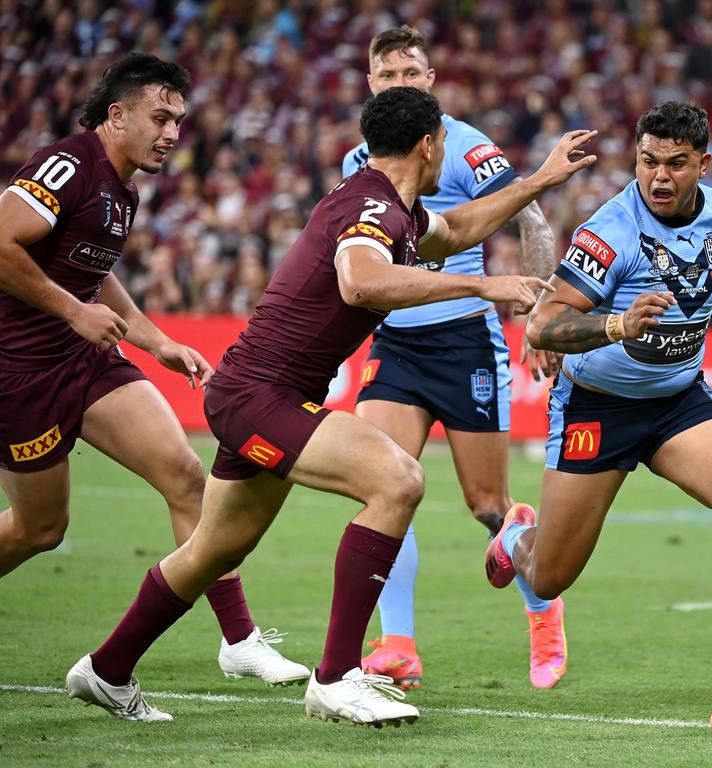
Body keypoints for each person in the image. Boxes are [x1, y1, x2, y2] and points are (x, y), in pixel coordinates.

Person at [66, 86, 596, 726]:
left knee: (213, 549)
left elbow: (456, 227)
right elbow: (361, 279)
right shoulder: (373, 208)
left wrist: (539, 178)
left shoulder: (392, 205)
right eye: (442, 146)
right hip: (262, 397)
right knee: (397, 478)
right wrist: (482, 282)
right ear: (429, 147)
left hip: (256, 394)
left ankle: (106, 668)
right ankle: (338, 676)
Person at [483, 102, 712, 736]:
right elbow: (544, 323)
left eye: (675, 164)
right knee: (551, 575)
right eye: (647, 162)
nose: (658, 177)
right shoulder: (610, 231)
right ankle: (514, 541)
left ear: (703, 164)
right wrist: (617, 322)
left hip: (677, 401)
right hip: (597, 408)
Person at [0, 53, 307, 687]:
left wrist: (155, 341)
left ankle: (239, 639)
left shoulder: (125, 187)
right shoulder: (67, 165)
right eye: (159, 117)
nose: (172, 132)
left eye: (179, 120)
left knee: (187, 476)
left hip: (83, 360)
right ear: (117, 115)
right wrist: (70, 310)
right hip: (20, 370)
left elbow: (92, 270)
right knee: (40, 528)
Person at [342, 25, 567, 691]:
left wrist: (541, 314)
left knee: (488, 506)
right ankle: (398, 645)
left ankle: (542, 606)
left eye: (412, 72)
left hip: (466, 339)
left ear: (431, 79)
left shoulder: (467, 145)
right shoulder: (362, 159)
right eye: (389, 76)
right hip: (396, 344)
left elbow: (531, 220)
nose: (401, 83)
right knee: (384, 486)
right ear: (371, 85)